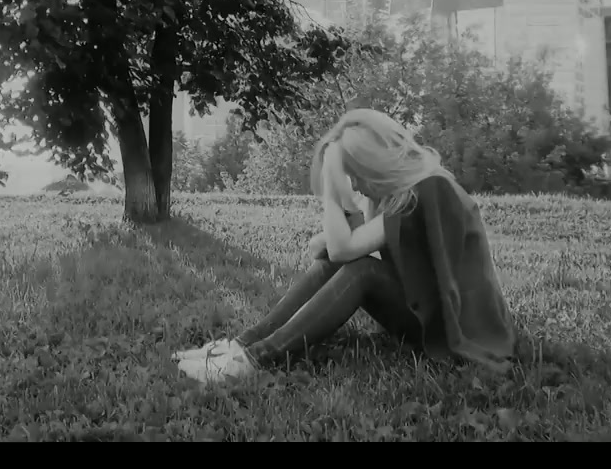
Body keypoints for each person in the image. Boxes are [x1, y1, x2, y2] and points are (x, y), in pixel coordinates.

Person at [173, 108, 517, 384]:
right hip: (427, 312)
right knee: (341, 262)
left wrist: (332, 185)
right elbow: (324, 250)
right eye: (347, 176)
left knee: (363, 270)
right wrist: (346, 199)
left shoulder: (428, 190)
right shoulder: (397, 193)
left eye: (355, 174)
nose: (354, 184)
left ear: (376, 165)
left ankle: (253, 359)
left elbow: (343, 250)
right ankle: (241, 345)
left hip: (458, 327)